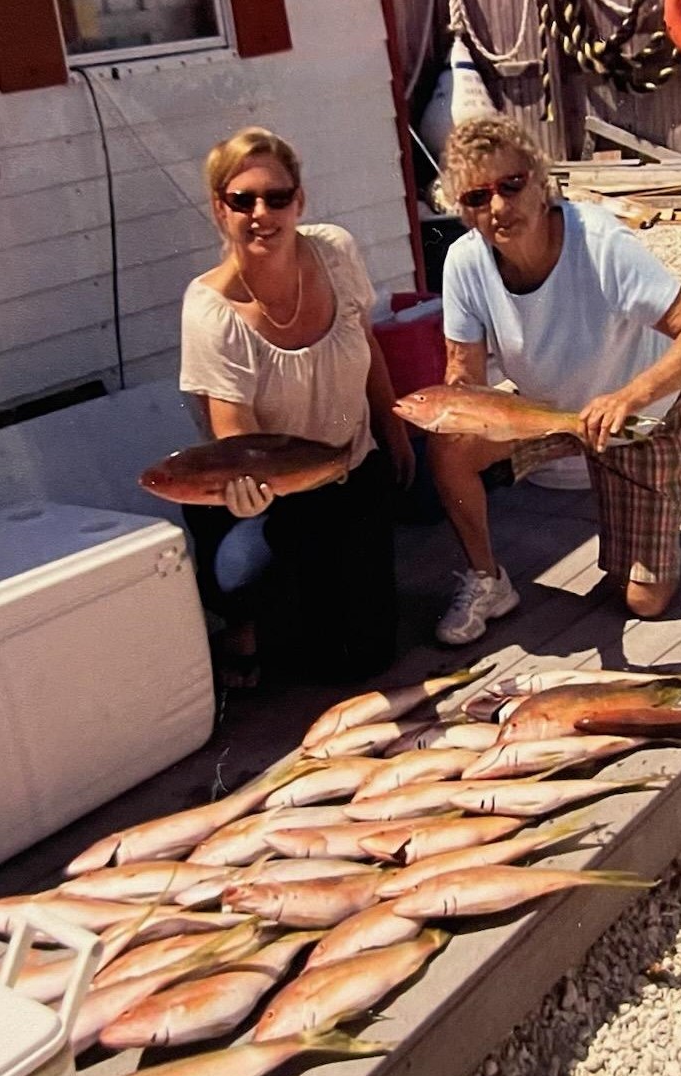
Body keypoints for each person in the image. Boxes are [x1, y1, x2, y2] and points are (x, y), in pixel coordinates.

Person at [428, 115, 681, 646]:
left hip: (640, 419)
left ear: (540, 180)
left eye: (510, 185)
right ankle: (487, 579)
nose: (497, 207)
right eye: (477, 197)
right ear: (463, 209)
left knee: (642, 601)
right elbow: (464, 374)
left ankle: (660, 522)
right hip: (548, 410)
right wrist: (458, 411)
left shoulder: (601, 242)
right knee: (449, 444)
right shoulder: (464, 262)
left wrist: (629, 396)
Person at [179, 126, 414, 687]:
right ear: (220, 209)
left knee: (369, 655)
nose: (262, 213)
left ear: (299, 201)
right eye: (243, 200)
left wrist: (395, 432)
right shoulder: (211, 311)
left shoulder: (335, 251)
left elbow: (367, 343)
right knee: (275, 615)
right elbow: (239, 442)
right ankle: (245, 620)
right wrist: (254, 495)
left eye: (277, 197)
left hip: (353, 469)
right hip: (279, 497)